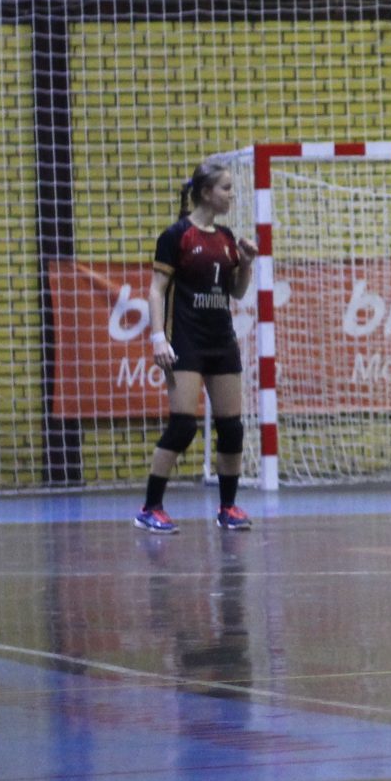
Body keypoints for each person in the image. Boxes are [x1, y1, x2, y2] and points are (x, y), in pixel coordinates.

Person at [139, 163, 257, 532]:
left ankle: (228, 508)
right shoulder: (176, 236)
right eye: (226, 188)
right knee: (183, 426)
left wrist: (247, 264)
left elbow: (236, 292)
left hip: (221, 341)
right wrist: (158, 337)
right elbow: (156, 290)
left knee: (232, 428)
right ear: (206, 193)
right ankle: (150, 508)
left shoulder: (226, 237)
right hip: (186, 342)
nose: (231, 195)